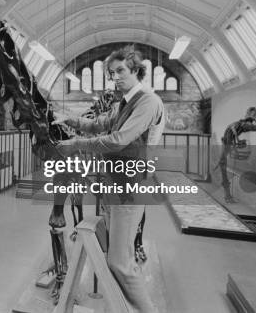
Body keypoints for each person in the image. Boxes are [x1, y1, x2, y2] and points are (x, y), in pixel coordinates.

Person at [54, 46, 163, 313]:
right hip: (114, 185)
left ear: (136, 70)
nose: (115, 77)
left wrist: (76, 144)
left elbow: (118, 140)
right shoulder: (122, 103)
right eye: (111, 73)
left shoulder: (147, 101)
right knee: (119, 257)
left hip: (132, 187)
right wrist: (66, 118)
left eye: (121, 71)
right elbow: (98, 124)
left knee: (120, 264)